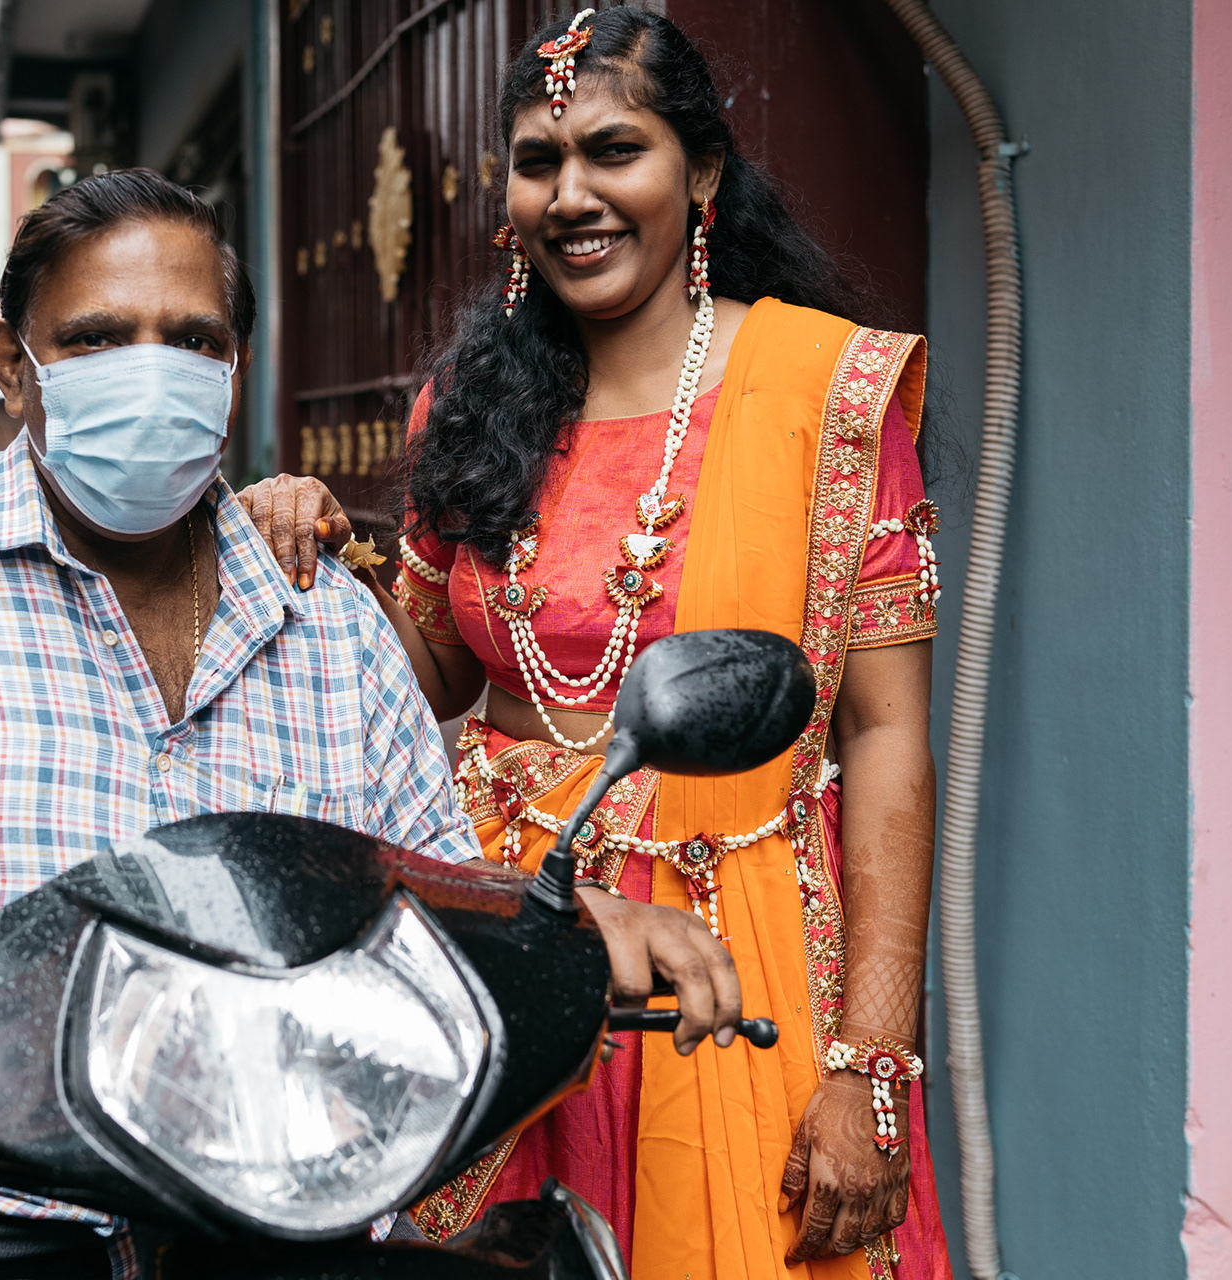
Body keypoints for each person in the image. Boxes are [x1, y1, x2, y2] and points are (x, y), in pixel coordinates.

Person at [0, 169, 746, 1280]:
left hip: (262, 1224)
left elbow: (435, 907)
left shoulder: (337, 627)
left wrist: (568, 928)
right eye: (98, 339)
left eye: (193, 341)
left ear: (236, 372)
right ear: (14, 366)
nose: (150, 374)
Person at [241, 10, 953, 1279]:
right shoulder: (473, 403)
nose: (571, 194)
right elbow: (426, 681)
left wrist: (870, 1066)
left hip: (736, 960)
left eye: (614, 150)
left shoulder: (821, 389)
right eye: (536, 159)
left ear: (705, 172)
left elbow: (888, 737)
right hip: (505, 945)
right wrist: (311, 556)